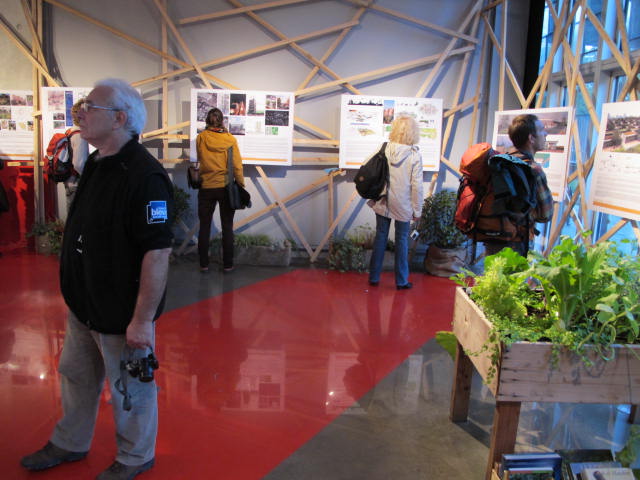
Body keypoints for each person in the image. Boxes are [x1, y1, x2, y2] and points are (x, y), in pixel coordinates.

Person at [20, 78, 174, 480]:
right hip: (84, 302)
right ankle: (70, 441)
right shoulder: (97, 162)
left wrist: (142, 320)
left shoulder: (146, 176)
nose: (81, 113)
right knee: (76, 375)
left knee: (129, 388)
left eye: (91, 107)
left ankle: (136, 456)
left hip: (121, 310)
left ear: (120, 119)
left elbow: (157, 252)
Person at [483, 113, 553, 257]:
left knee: (492, 271)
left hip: (492, 236)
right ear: (531, 138)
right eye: (541, 130)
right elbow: (545, 214)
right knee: (514, 273)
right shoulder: (533, 169)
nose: (545, 134)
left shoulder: (498, 163)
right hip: (518, 241)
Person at [367, 115, 423, 290]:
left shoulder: (384, 148)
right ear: (413, 132)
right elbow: (417, 186)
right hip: (403, 204)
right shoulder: (414, 155)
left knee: (380, 236)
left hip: (383, 201)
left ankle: (374, 277)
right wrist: (417, 210)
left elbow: (368, 167)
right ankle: (401, 281)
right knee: (402, 240)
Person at [196, 107, 244, 273]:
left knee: (204, 226)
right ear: (222, 121)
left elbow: (201, 158)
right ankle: (228, 265)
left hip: (206, 186)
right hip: (225, 187)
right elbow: (237, 165)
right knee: (227, 227)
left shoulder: (201, 138)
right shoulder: (230, 139)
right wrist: (241, 184)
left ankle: (203, 264)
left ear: (207, 121)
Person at [64, 98, 90, 208]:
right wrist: (90, 180)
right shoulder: (80, 135)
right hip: (77, 184)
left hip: (71, 182)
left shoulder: (71, 131)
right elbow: (79, 164)